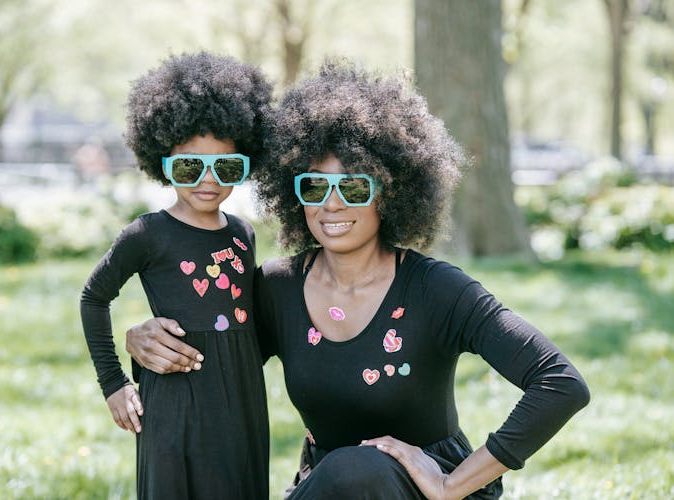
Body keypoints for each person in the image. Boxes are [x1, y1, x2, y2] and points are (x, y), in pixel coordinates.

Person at [125, 61, 590, 499]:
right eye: (314, 185)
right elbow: (211, 359)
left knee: (359, 468)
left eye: (353, 186)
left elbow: (559, 383)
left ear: (390, 192)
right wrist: (142, 342)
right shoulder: (276, 288)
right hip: (327, 488)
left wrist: (453, 483)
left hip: (424, 490)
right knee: (345, 471)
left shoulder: (436, 289)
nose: (331, 204)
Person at [79, 52, 272, 500]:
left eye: (226, 166)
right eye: (189, 166)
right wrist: (113, 382)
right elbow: (93, 297)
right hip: (173, 406)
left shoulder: (243, 233)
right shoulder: (147, 234)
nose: (208, 179)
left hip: (241, 402)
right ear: (162, 160)